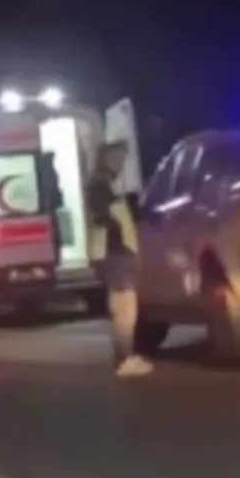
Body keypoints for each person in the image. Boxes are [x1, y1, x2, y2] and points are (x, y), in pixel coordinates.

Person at [86, 142, 153, 377]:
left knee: (125, 308)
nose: (120, 163)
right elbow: (104, 217)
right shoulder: (99, 185)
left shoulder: (104, 184)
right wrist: (118, 231)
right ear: (105, 159)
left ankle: (125, 355)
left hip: (116, 253)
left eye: (122, 158)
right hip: (115, 253)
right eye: (116, 158)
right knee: (124, 308)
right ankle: (124, 358)